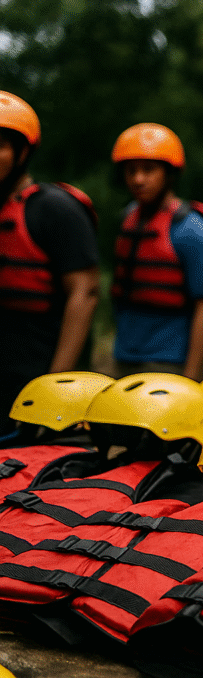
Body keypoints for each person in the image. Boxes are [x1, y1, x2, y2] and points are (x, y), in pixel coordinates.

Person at [0, 91, 100, 437]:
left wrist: (54, 387)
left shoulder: (55, 208)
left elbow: (84, 293)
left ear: (23, 152)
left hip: (37, 370)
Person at [109, 122, 203, 381]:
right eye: (131, 171)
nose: (138, 179)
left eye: (148, 170)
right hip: (125, 356)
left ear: (169, 173)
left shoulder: (191, 229)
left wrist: (192, 377)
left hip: (171, 363)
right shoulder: (128, 219)